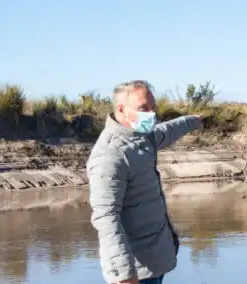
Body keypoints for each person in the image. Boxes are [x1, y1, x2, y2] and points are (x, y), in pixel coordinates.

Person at [87, 81, 203, 284]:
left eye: (153, 107)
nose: (151, 114)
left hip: (155, 262)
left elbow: (167, 131)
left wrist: (193, 121)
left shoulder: (141, 138)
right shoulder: (109, 155)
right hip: (135, 273)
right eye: (143, 109)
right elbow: (106, 217)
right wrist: (124, 275)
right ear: (121, 109)